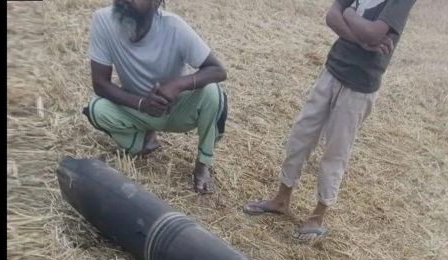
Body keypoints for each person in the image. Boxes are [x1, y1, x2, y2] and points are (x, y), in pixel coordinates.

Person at [243, 0, 417, 242]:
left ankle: (317, 216)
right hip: (333, 68)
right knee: (301, 134)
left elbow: (373, 32)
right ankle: (281, 198)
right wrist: (360, 40)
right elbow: (332, 15)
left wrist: (350, 14)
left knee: (336, 151)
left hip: (360, 85)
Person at [83, 0, 228, 194]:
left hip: (177, 109)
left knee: (213, 92)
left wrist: (177, 85)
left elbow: (218, 70)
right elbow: (100, 83)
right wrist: (142, 104)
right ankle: (144, 140)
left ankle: (203, 164)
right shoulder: (103, 20)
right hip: (137, 109)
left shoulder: (174, 27)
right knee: (97, 109)